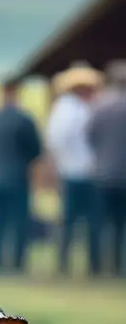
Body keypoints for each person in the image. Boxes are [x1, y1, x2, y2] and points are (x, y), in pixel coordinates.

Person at [0, 77, 43, 273]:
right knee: (18, 221)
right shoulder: (24, 119)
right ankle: (17, 263)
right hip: (16, 177)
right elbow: (35, 150)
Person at [47, 63, 102, 276]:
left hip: (73, 172)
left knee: (72, 221)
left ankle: (69, 262)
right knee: (85, 221)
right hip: (80, 172)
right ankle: (87, 264)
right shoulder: (73, 108)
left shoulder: (66, 108)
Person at [87, 61, 126, 275]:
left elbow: (90, 136)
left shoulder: (101, 107)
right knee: (122, 226)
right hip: (124, 175)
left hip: (103, 174)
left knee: (101, 223)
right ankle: (120, 267)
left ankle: (98, 265)